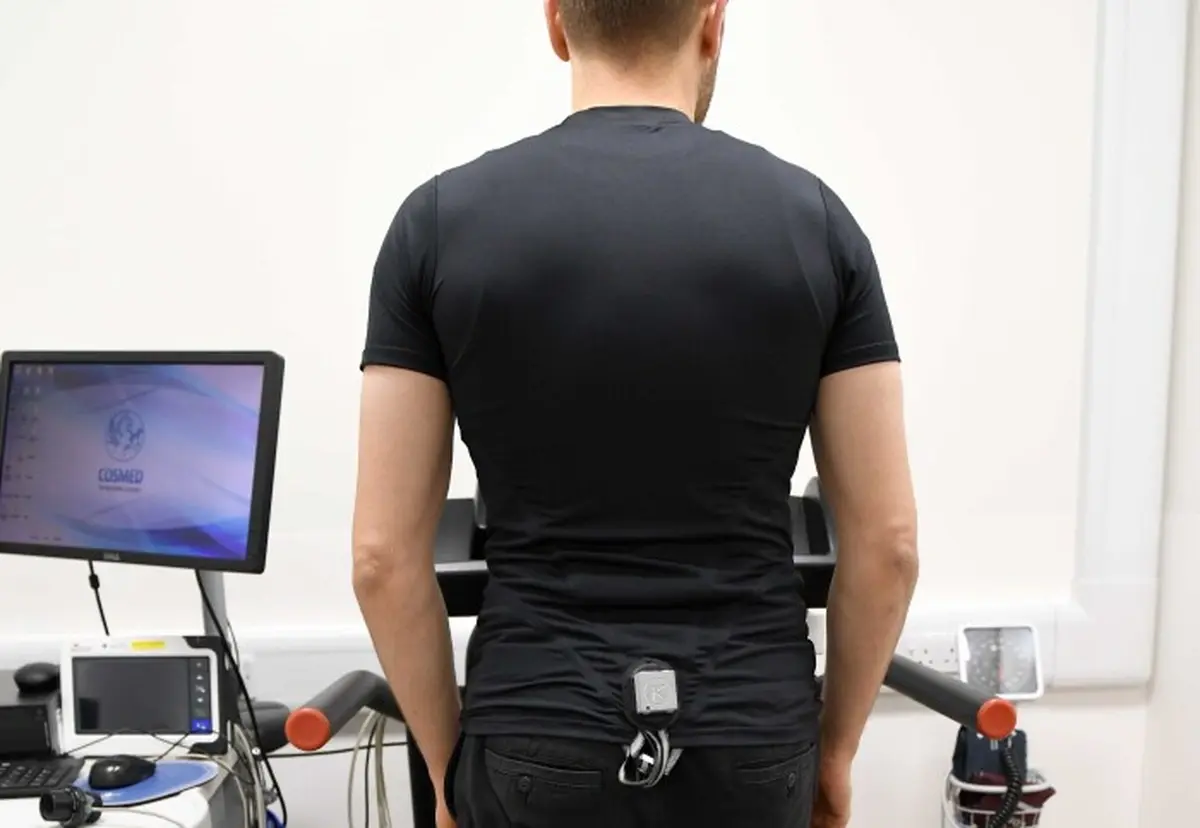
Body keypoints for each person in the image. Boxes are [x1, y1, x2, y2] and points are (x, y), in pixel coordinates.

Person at [350, 1, 919, 826]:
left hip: (532, 742)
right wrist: (831, 758)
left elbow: (380, 558)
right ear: (712, 22)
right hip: (753, 747)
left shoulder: (435, 225)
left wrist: (448, 773)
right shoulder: (818, 224)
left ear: (555, 23)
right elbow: (890, 546)